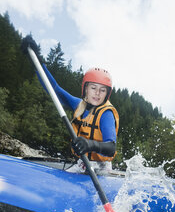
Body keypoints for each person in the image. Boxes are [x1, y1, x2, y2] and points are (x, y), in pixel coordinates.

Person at [21, 35, 119, 172]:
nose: (97, 93)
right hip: (82, 163)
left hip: (101, 168)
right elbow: (54, 89)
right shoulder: (79, 104)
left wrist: (90, 144)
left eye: (102, 90)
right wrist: (36, 59)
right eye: (93, 88)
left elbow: (111, 148)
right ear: (85, 89)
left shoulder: (106, 114)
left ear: (107, 94)